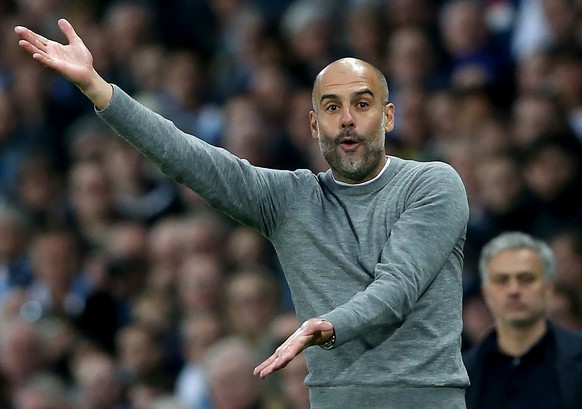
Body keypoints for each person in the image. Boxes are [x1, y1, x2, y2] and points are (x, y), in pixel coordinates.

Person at [15, 19, 470, 408]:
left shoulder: (433, 183)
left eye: (362, 104)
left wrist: (330, 325)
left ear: (388, 117)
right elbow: (188, 157)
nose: (347, 119)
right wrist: (98, 88)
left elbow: (399, 287)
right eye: (332, 108)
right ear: (314, 125)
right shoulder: (289, 199)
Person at [463, 231, 582, 409]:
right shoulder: (462, 373)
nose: (514, 290)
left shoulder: (577, 356)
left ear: (549, 288)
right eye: (501, 280)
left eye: (526, 279)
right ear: (486, 293)